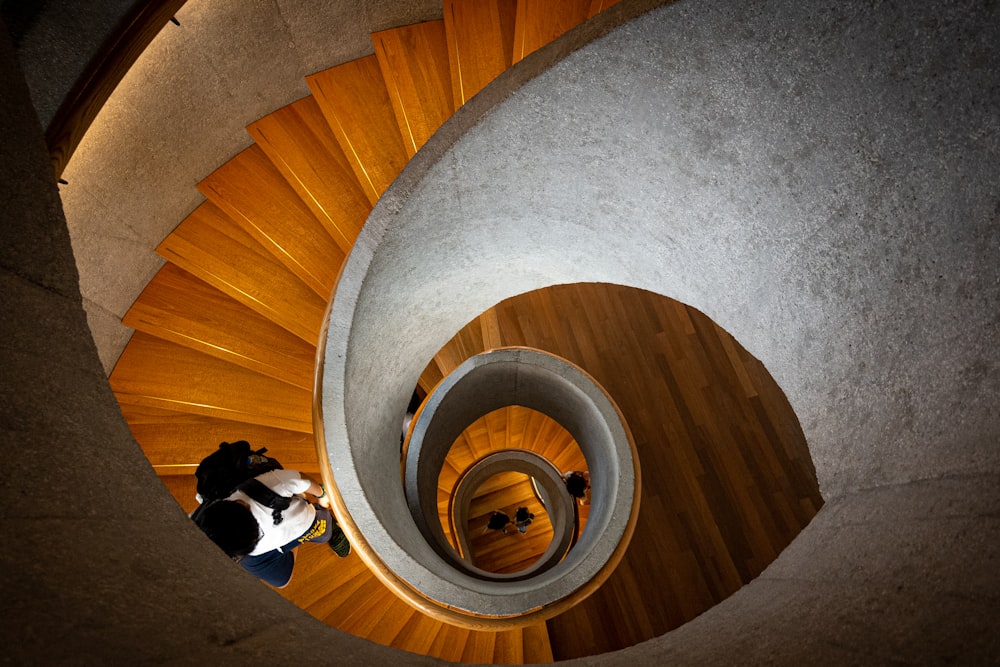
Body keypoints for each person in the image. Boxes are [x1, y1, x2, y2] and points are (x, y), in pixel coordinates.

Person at [194, 469, 351, 588]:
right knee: (283, 579)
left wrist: (321, 494)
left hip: (302, 519)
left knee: (322, 532)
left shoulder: (268, 489)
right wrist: (321, 494)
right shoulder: (203, 519)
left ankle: (328, 528)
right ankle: (317, 533)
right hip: (292, 526)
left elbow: (298, 478)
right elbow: (297, 478)